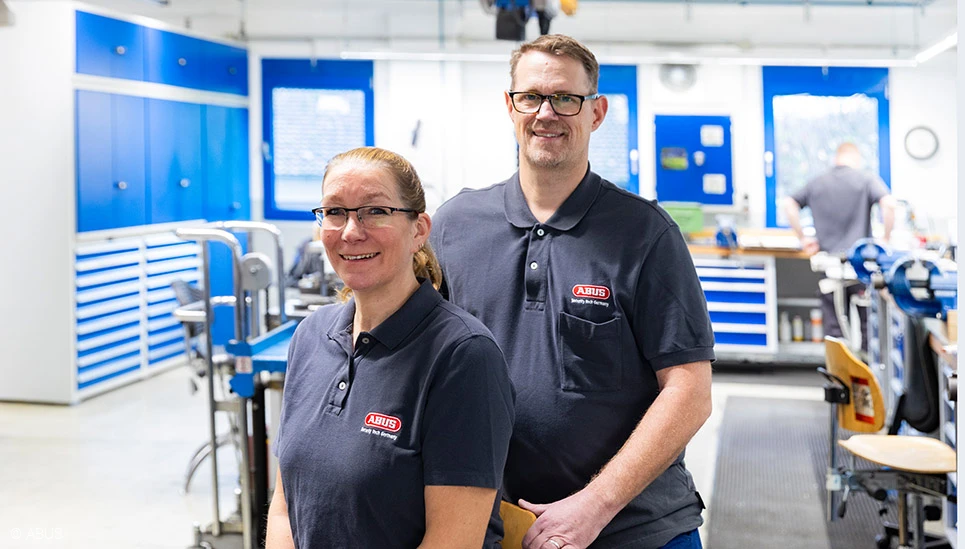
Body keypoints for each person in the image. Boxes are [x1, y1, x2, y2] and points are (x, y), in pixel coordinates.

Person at [430, 35, 715, 549]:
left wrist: (594, 505)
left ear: (596, 112)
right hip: (500, 525)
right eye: (531, 97)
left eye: (566, 98)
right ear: (509, 105)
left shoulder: (645, 233)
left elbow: (690, 391)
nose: (547, 113)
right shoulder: (455, 227)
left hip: (637, 526)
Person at [266, 147, 515, 549]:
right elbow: (284, 505)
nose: (350, 231)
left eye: (375, 211)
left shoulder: (463, 357)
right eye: (334, 212)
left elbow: (453, 541)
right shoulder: (310, 337)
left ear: (419, 230)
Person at [783, 142, 896, 338]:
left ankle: (837, 367)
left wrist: (803, 237)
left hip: (829, 267)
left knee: (834, 330)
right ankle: (864, 367)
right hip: (860, 267)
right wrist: (885, 239)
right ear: (856, 158)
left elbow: (788, 203)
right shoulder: (865, 179)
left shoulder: (818, 182)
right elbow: (889, 204)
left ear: (837, 157)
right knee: (867, 328)